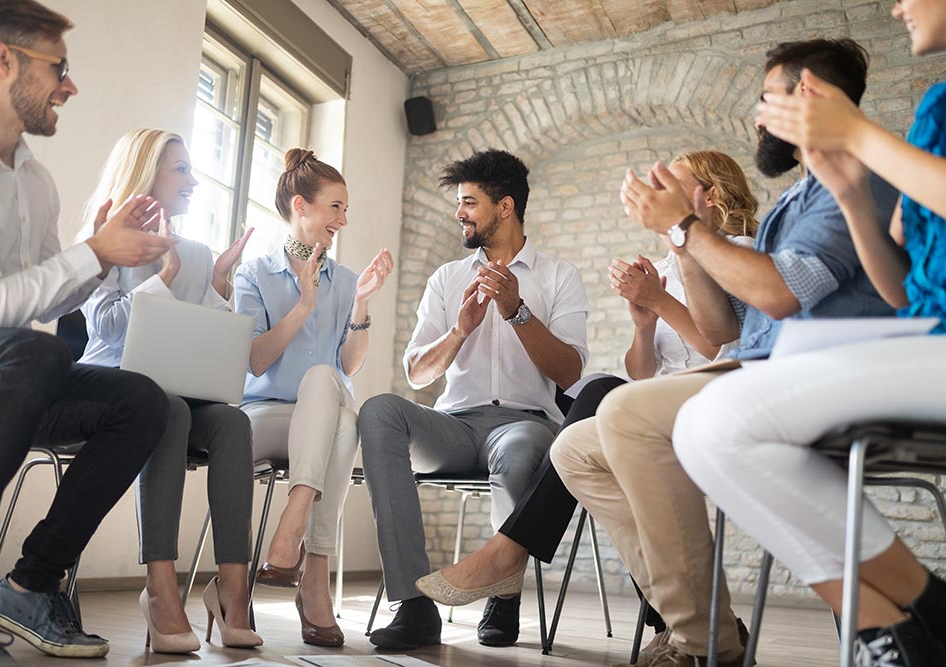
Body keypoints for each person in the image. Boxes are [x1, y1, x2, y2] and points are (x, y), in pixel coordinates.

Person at [550, 38, 901, 667]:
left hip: (807, 375)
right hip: (754, 366)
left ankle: (698, 644)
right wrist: (681, 240)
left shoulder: (851, 184)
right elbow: (721, 329)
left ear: (809, 95)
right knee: (574, 448)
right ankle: (709, 623)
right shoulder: (797, 199)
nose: (760, 115)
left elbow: (781, 293)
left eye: (768, 98)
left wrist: (684, 229)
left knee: (625, 412)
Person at [674, 3, 946, 665]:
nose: (897, 6)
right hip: (933, 334)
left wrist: (859, 138)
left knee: (716, 419)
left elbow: (780, 293)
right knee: (703, 427)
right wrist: (854, 194)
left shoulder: (908, 131)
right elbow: (900, 287)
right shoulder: (942, 107)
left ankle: (914, 618)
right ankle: (913, 618)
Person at [415, 150, 761, 653]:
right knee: (600, 394)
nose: (659, 193)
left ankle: (508, 552)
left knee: (598, 399)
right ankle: (698, 624)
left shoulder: (739, 249)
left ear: (708, 195)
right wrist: (644, 325)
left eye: (674, 185)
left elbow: (718, 343)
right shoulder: (666, 263)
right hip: (664, 402)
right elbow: (643, 370)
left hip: (718, 397)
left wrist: (661, 301)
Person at [0, 0, 179, 663]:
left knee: (142, 401)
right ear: (4, 60)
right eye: (59, 66)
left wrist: (104, 253)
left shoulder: (37, 183)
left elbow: (47, 291)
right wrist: (93, 252)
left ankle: (30, 583)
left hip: (8, 373)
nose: (70, 85)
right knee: (36, 349)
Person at [358, 148, 590, 650]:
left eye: (469, 201)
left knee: (524, 446)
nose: (458, 212)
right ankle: (413, 604)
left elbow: (571, 373)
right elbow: (419, 374)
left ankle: (501, 592)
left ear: (504, 207)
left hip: (526, 424)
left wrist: (516, 311)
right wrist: (459, 332)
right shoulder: (446, 278)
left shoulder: (558, 277)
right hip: (455, 428)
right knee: (379, 411)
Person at [78, 129, 260, 653]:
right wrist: (163, 278)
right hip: (110, 389)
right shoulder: (104, 236)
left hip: (176, 393)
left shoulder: (199, 252)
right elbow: (105, 328)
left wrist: (219, 283)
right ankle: (160, 589)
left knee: (231, 421)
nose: (193, 180)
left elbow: (216, 333)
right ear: (146, 171)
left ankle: (232, 592)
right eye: (181, 169)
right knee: (171, 410)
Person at [234, 148, 392, 648]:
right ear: (301, 206)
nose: (343, 220)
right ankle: (315, 576)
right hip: (264, 416)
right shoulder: (253, 273)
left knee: (334, 394)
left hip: (322, 418)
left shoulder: (346, 282)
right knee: (341, 418)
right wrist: (304, 305)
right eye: (335, 208)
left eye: (346, 210)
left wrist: (361, 303)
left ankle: (295, 524)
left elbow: (348, 365)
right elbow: (255, 360)